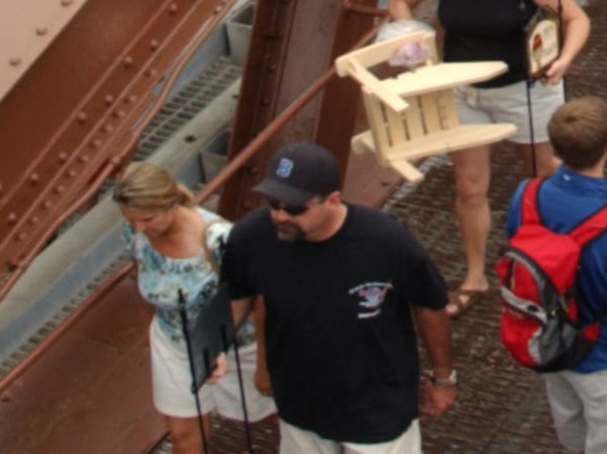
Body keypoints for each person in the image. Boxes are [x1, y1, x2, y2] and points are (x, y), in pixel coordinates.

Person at [380, 0, 592, 310]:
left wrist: (564, 59)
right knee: (469, 186)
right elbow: (400, 2)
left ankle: (555, 261)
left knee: (542, 178)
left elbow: (575, 16)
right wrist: (411, 38)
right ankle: (475, 275)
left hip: (525, 90)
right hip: (465, 90)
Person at [219, 142, 457, 453]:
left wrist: (443, 379)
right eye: (272, 203)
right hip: (299, 404)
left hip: (377, 407)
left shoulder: (387, 241)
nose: (279, 216)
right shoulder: (250, 237)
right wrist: (213, 348)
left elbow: (430, 306)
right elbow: (237, 299)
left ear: (333, 200)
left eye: (294, 208)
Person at [510, 98, 607, 454]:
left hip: (550, 348)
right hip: (606, 362)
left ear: (555, 149)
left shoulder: (526, 197)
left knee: (574, 436)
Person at [114, 161, 267, 454]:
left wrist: (264, 364)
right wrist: (151, 328)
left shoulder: (221, 238)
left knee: (270, 413)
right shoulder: (135, 233)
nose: (139, 227)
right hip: (174, 343)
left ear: (170, 203)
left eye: (146, 219)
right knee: (183, 436)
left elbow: (259, 297)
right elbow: (141, 273)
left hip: (235, 347)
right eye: (131, 219)